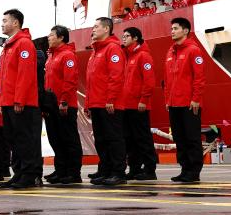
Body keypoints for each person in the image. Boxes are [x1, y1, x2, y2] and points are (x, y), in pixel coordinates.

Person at [0, 9, 43, 189]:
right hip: (8, 101)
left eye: (5, 20)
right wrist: (2, 101)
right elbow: (5, 77)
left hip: (21, 102)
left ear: (16, 23)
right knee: (14, 139)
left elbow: (25, 75)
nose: (2, 23)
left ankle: (30, 175)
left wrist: (19, 100)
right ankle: (19, 173)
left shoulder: (23, 44)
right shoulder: (8, 47)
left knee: (25, 139)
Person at [85, 16, 127, 186]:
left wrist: (110, 98)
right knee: (101, 139)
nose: (93, 29)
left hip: (109, 103)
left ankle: (118, 172)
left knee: (113, 138)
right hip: (96, 103)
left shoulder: (112, 49)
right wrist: (88, 103)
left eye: (96, 27)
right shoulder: (96, 51)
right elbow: (91, 80)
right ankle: (106, 170)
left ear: (106, 29)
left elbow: (116, 76)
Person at [165, 17, 206, 184]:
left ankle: (194, 171)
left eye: (175, 28)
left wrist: (196, 99)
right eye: (172, 28)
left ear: (185, 31)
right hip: (174, 103)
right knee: (179, 138)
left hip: (189, 103)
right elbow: (167, 80)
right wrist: (168, 100)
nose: (172, 31)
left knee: (192, 138)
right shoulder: (171, 51)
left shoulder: (193, 51)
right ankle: (184, 169)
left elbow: (200, 77)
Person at [44, 25, 82, 185]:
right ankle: (61, 170)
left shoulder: (67, 55)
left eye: (52, 35)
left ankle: (73, 172)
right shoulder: (51, 57)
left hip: (64, 105)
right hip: (52, 106)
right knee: (56, 139)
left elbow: (70, 80)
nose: (48, 37)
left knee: (68, 139)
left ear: (61, 38)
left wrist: (64, 101)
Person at [120, 27, 157, 181]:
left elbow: (149, 82)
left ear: (135, 38)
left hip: (138, 105)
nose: (123, 38)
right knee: (130, 139)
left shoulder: (143, 56)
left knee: (143, 138)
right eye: (123, 36)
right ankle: (134, 168)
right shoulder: (128, 56)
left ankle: (150, 169)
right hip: (126, 105)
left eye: (126, 36)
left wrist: (143, 100)